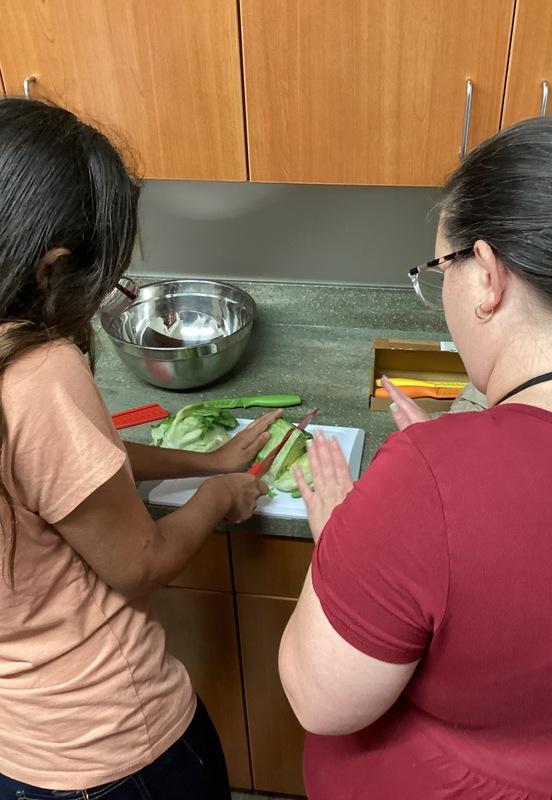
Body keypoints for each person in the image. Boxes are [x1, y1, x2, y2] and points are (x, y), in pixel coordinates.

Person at [280, 114, 552, 799]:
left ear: (487, 276)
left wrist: (350, 531)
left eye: (441, 267)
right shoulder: (441, 477)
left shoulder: (429, 480)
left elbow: (320, 699)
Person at [0, 97, 278, 798]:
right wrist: (220, 496)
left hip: (20, 750)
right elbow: (138, 564)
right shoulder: (37, 376)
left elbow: (62, 473)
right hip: (114, 745)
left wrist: (204, 460)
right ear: (52, 266)